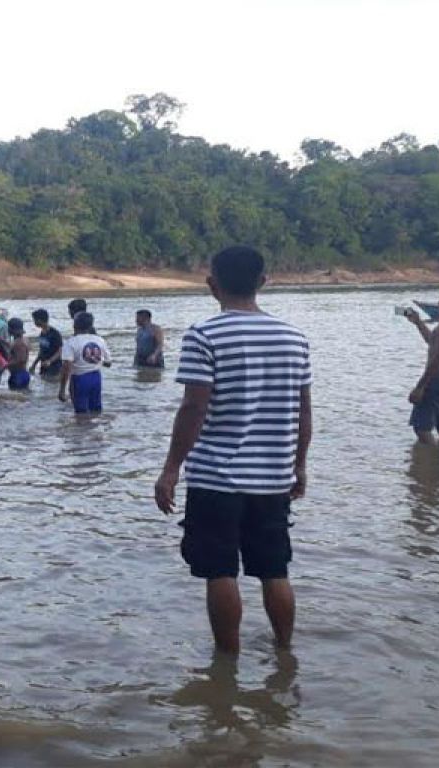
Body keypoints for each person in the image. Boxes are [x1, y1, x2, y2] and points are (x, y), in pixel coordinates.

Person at [154, 245, 313, 655]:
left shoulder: (204, 334)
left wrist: (171, 469)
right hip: (273, 478)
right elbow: (303, 410)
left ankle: (226, 662)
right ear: (263, 282)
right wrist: (300, 466)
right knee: (275, 570)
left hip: (216, 478)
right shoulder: (294, 338)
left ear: (212, 285)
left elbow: (194, 407)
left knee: (220, 570)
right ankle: (284, 653)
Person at [405, 285, 439, 444]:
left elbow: (438, 360)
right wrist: (418, 323)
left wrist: (420, 387)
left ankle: (433, 466)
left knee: (422, 430)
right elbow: (434, 343)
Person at [58, 312, 111, 414]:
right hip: (96, 377)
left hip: (79, 379)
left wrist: (62, 389)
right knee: (96, 409)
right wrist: (94, 360)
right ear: (91, 325)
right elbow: (108, 363)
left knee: (80, 411)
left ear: (74, 325)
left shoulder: (71, 342)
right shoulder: (99, 340)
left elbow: (66, 367)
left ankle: (83, 430)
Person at [28, 308, 63, 380]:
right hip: (44, 365)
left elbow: (60, 351)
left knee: (52, 385)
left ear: (40, 320)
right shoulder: (42, 333)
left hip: (54, 367)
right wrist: (34, 365)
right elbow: (41, 351)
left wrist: (50, 361)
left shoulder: (55, 333)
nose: (34, 322)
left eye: (35, 320)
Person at [6, 318, 31, 390]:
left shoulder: (19, 343)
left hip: (18, 376)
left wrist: (5, 365)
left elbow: (21, 359)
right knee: (22, 398)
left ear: (12, 329)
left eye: (9, 328)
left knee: (16, 399)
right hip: (22, 374)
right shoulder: (24, 339)